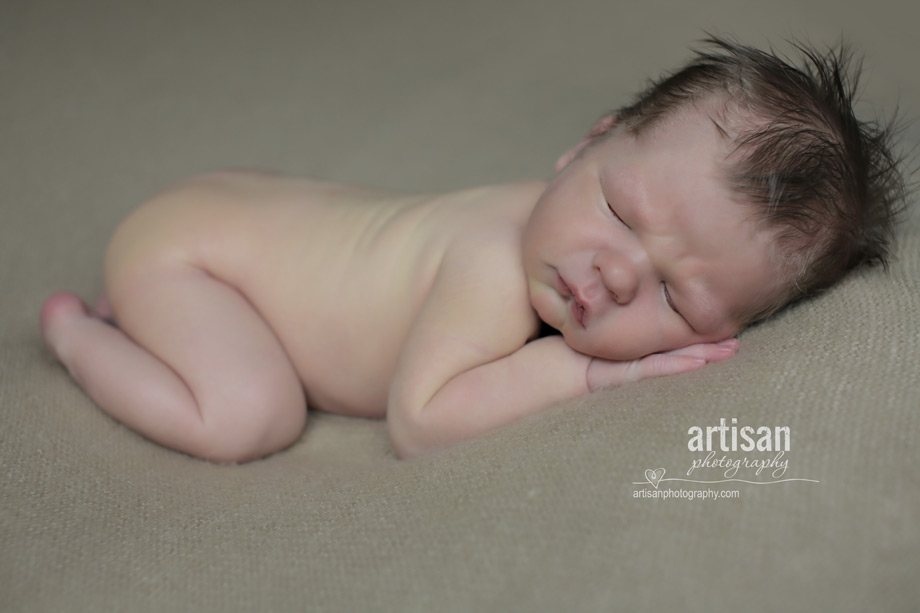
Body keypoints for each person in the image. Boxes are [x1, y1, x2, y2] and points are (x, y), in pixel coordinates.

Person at [39, 38, 908, 462]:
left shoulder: (556, 230)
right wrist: (592, 375)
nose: (612, 271)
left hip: (246, 212)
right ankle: (86, 336)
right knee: (249, 417)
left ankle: (152, 319)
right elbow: (421, 417)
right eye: (615, 208)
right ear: (583, 148)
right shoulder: (494, 268)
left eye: (675, 301)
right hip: (194, 255)